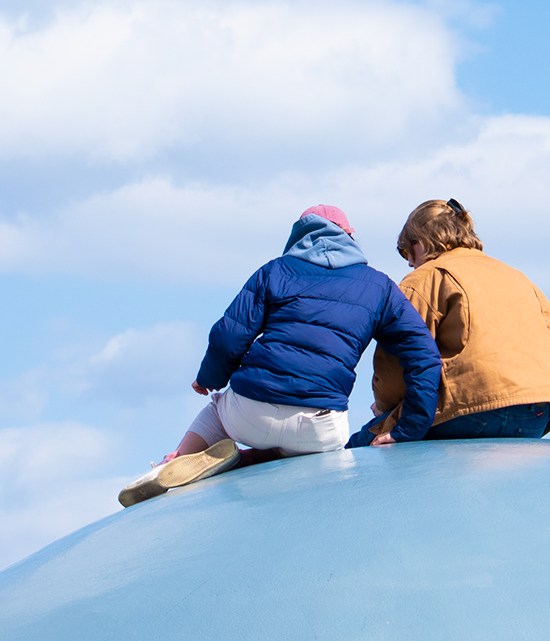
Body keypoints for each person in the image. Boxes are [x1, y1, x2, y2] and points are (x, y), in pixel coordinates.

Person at [119, 204, 442, 507]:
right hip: (321, 427)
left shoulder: (276, 271)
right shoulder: (380, 286)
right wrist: (409, 427)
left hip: (250, 411)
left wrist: (209, 378)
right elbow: (424, 356)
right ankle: (245, 461)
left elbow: (228, 336)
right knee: (304, 451)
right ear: (349, 236)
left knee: (218, 409)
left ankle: (174, 462)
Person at [348, 199, 550, 448]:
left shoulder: (426, 278)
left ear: (422, 241)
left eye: (406, 249)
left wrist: (385, 406)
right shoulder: (522, 279)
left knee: (357, 450)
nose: (408, 262)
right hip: (537, 415)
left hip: (471, 411)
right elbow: (549, 341)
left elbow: (395, 361)